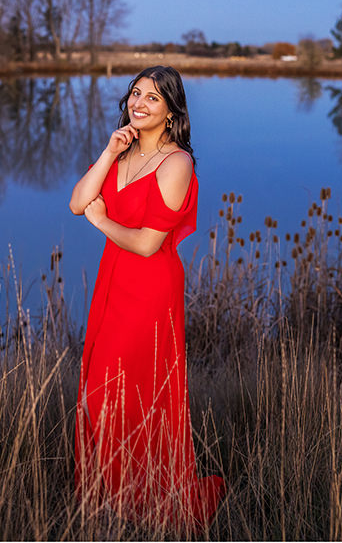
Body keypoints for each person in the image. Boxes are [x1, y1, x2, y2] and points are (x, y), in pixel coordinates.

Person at [69, 66, 225, 532]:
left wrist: (100, 223)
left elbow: (146, 244)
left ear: (172, 110)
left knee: (133, 392)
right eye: (136, 93)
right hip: (112, 283)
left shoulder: (177, 163)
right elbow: (78, 201)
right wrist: (108, 150)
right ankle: (106, 499)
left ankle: (150, 498)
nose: (139, 103)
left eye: (153, 98)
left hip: (150, 288)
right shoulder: (123, 153)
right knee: (99, 389)